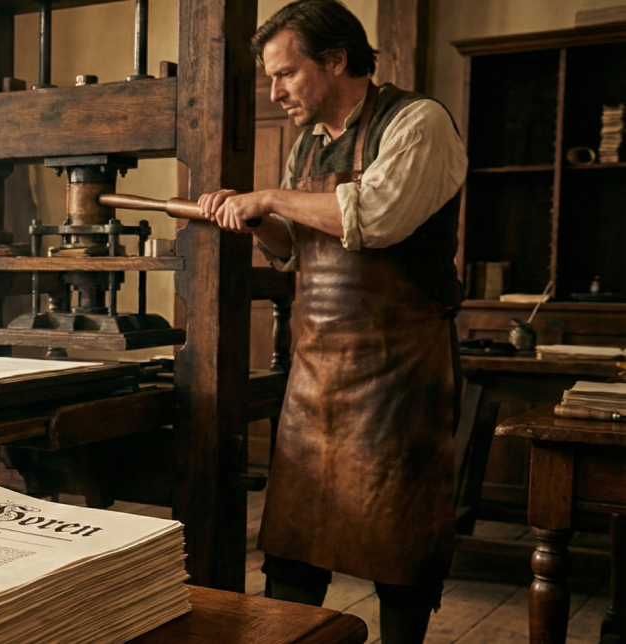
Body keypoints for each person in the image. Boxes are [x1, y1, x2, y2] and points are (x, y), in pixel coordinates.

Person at [197, 1, 467, 642]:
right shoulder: (311, 146)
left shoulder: (417, 123)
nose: (275, 91)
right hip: (315, 381)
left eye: (286, 74)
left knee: (400, 556)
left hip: (399, 381)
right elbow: (294, 247)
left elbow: (372, 219)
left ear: (337, 60)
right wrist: (255, 217)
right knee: (292, 550)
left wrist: (267, 196)